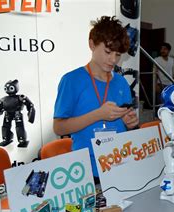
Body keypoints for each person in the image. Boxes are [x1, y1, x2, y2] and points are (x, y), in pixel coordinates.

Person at [53, 16, 139, 179]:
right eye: (108, 52)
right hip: (86, 171)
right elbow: (59, 127)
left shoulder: (121, 82)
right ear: (92, 44)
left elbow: (127, 126)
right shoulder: (72, 80)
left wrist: (129, 123)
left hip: (119, 164)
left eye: (118, 55)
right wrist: (98, 115)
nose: (113, 60)